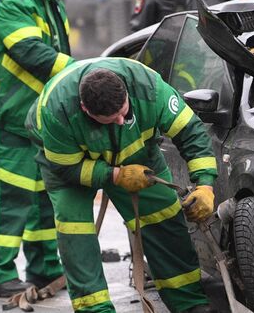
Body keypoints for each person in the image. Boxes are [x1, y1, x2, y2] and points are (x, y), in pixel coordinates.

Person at [25, 57, 218, 313]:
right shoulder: (56, 112)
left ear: (126, 92)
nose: (119, 120)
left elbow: (191, 132)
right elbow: (67, 168)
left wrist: (205, 185)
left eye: (123, 112)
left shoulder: (149, 89)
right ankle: (95, 309)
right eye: (110, 117)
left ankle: (189, 303)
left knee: (163, 217)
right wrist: (115, 175)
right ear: (85, 109)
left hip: (137, 154)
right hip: (70, 161)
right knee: (76, 230)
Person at [0, 0, 82, 298]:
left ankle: (44, 267)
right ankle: (0, 274)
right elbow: (33, 53)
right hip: (8, 112)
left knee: (41, 195)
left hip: (35, 114)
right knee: (12, 195)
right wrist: (80, 71)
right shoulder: (7, 1)